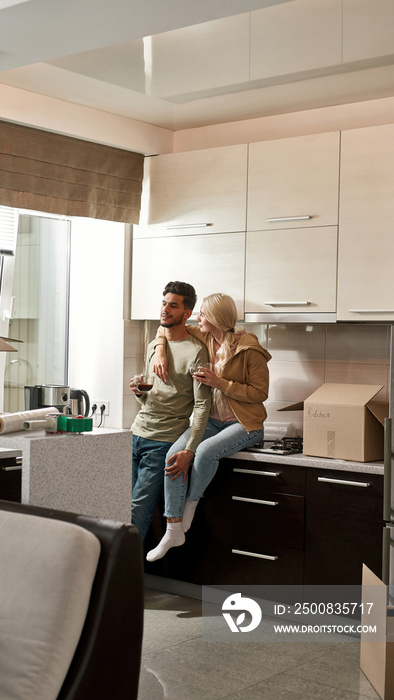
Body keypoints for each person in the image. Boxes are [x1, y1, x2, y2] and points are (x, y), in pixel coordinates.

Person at [146, 292, 271, 561]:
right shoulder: (204, 336)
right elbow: (164, 327)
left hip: (244, 424)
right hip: (212, 421)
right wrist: (159, 351)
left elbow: (261, 393)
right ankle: (173, 528)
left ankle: (189, 507)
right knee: (174, 456)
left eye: (202, 313)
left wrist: (221, 383)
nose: (198, 317)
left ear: (215, 318)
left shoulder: (249, 348)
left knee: (203, 452)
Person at [131, 281, 211, 541]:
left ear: (187, 314)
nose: (165, 310)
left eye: (173, 305)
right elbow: (151, 397)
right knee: (117, 511)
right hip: (135, 434)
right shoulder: (156, 345)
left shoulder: (197, 351)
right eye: (164, 303)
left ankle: (124, 578)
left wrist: (190, 448)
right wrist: (139, 392)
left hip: (162, 443)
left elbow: (201, 405)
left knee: (136, 512)